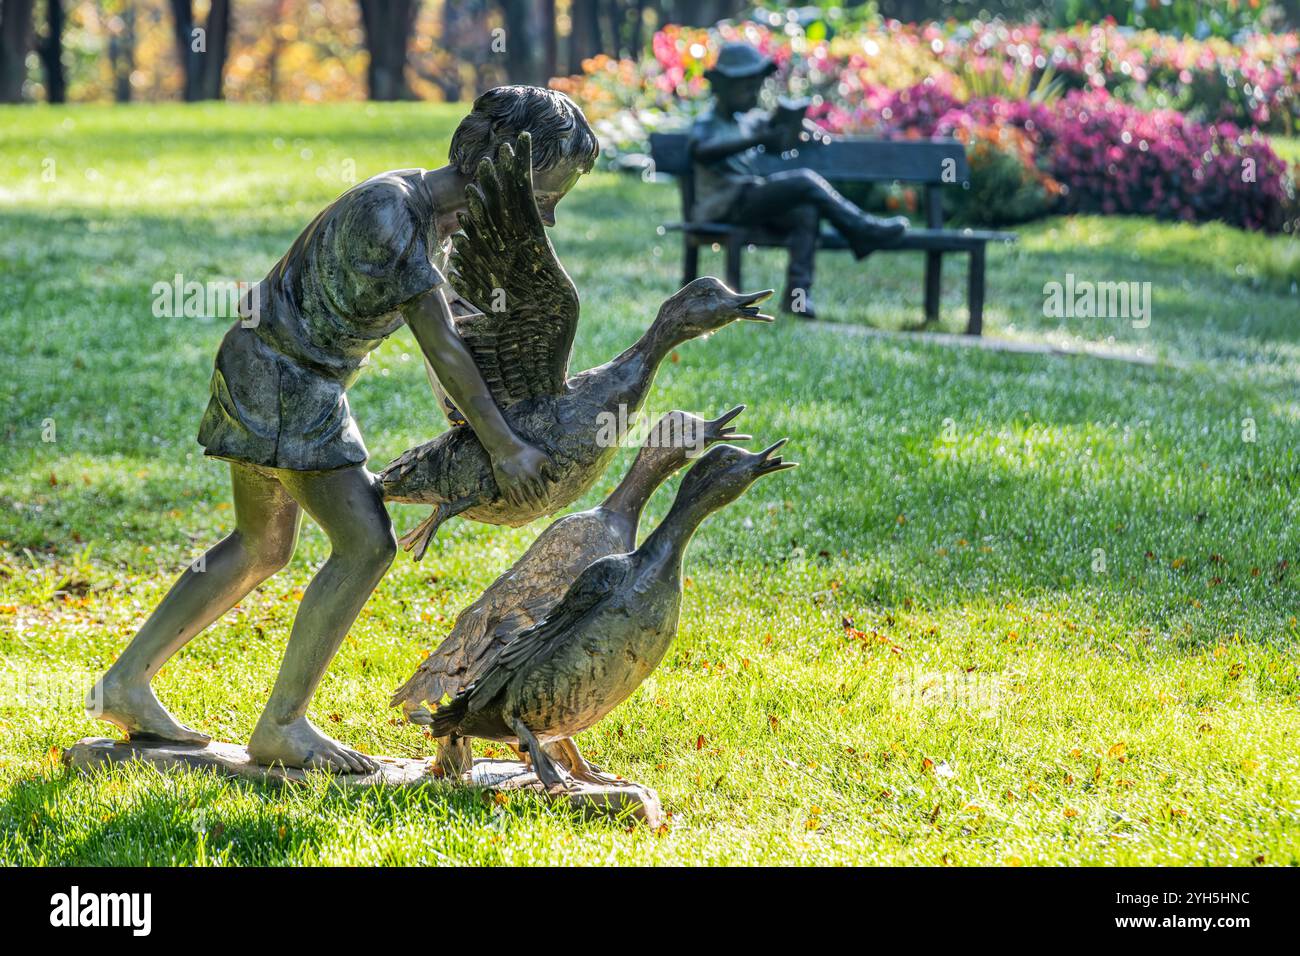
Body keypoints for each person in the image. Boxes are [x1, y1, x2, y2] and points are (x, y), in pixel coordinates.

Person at [89, 87, 599, 773]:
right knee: (364, 544)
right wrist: (504, 446)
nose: (550, 218)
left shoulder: (430, 221)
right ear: (500, 168)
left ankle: (125, 683)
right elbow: (442, 346)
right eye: (544, 197)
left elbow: (456, 337)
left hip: (282, 370)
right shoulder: (390, 212)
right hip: (284, 378)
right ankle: (282, 726)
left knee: (260, 545)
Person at [689, 42, 908, 319]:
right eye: (746, 87)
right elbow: (700, 150)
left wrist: (797, 128)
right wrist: (757, 139)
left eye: (756, 86)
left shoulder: (749, 121)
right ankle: (861, 229)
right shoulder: (708, 123)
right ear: (721, 86)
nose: (753, 93)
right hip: (724, 206)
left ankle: (798, 296)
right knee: (804, 180)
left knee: (806, 210)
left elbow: (775, 136)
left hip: (749, 204)